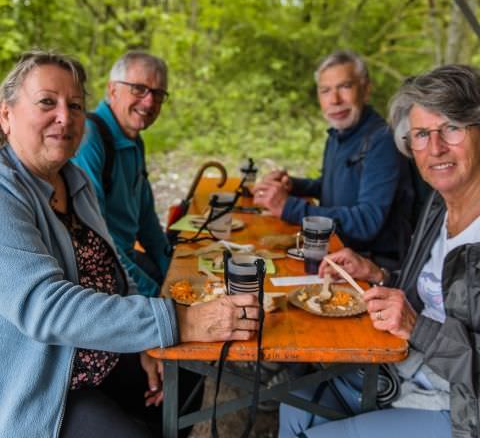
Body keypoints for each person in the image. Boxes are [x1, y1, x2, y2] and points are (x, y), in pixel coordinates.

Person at [0, 50, 259, 438]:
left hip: (99, 348)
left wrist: (146, 339)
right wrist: (176, 320)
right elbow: (46, 308)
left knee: (183, 373)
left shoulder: (72, 180)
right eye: (46, 102)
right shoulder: (7, 192)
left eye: (74, 105)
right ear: (6, 115)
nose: (65, 117)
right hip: (49, 378)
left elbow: (115, 267)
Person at [279, 64, 480, 438]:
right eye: (421, 134)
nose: (435, 148)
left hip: (462, 404)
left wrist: (417, 329)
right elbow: (433, 291)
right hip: (407, 366)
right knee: (293, 404)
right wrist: (378, 274)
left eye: (451, 128)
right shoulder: (439, 207)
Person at [253, 50, 414, 269]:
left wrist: (289, 207)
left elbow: (366, 221)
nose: (335, 100)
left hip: (368, 266)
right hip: (331, 250)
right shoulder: (338, 135)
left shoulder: (382, 140)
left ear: (366, 90)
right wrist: (294, 185)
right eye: (325, 91)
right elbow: (332, 187)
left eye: (345, 87)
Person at [73, 51, 171, 297]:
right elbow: (94, 241)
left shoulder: (134, 140)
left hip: (124, 256)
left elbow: (147, 219)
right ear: (113, 90)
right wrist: (155, 296)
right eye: (139, 89)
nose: (149, 102)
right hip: (93, 272)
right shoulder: (89, 138)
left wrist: (174, 270)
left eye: (157, 94)